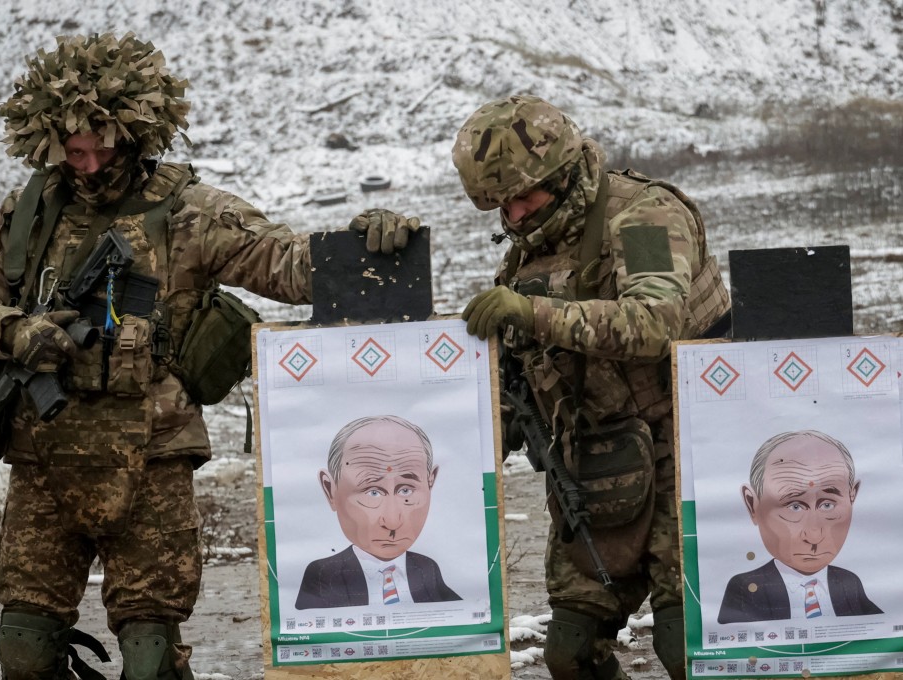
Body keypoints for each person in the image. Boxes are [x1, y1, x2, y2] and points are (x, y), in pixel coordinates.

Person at [0, 33, 418, 680]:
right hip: (43, 464)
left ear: (134, 135)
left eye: (100, 149)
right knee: (23, 649)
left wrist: (366, 247)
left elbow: (286, 261)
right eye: (72, 152)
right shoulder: (26, 217)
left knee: (149, 654)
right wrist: (12, 330)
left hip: (152, 462)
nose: (86, 165)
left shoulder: (191, 213)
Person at [452, 95, 730, 680]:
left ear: (566, 172)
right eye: (503, 205)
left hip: (691, 455)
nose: (518, 214)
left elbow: (655, 323)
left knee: (689, 648)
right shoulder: (525, 259)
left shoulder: (645, 215)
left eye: (527, 196)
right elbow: (523, 381)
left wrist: (533, 313)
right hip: (598, 468)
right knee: (571, 654)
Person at [295, 415, 461, 609]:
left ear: (430, 482)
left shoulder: (427, 568)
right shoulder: (323, 575)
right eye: (372, 492)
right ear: (330, 490)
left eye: (405, 490)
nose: (392, 522)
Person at [718, 430, 881, 624]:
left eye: (827, 505)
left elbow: (887, 633)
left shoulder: (848, 583)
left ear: (852, 497)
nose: (814, 536)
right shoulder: (746, 589)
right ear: (752, 505)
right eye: (794, 507)